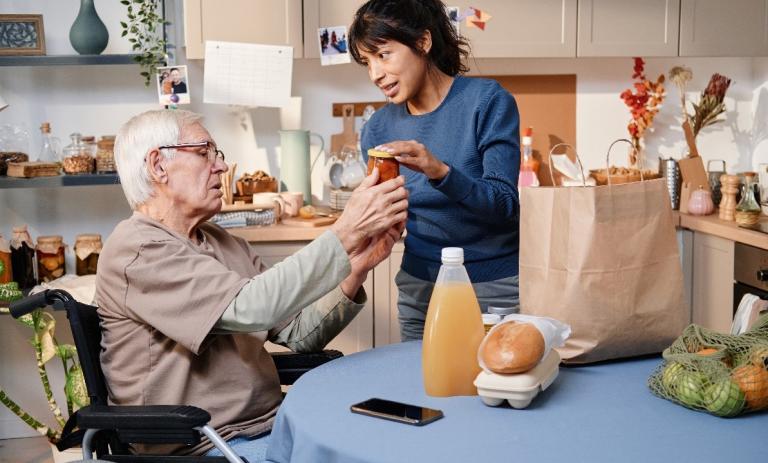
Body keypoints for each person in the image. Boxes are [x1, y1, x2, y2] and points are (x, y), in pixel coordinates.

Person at [95, 109, 408, 461]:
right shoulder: (138, 249)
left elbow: (300, 333)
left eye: (218, 154)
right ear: (158, 166)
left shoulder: (223, 242)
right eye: (204, 153)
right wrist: (344, 231)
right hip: (205, 442)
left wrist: (357, 265)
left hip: (272, 424)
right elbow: (252, 307)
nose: (221, 167)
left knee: (392, 442)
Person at [349, 0, 521, 341]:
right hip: (420, 288)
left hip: (492, 288)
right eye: (367, 62)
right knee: (422, 389)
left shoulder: (487, 102)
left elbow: (505, 205)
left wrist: (440, 171)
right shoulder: (377, 129)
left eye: (383, 55)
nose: (375, 74)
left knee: (495, 387)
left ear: (422, 42)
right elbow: (387, 216)